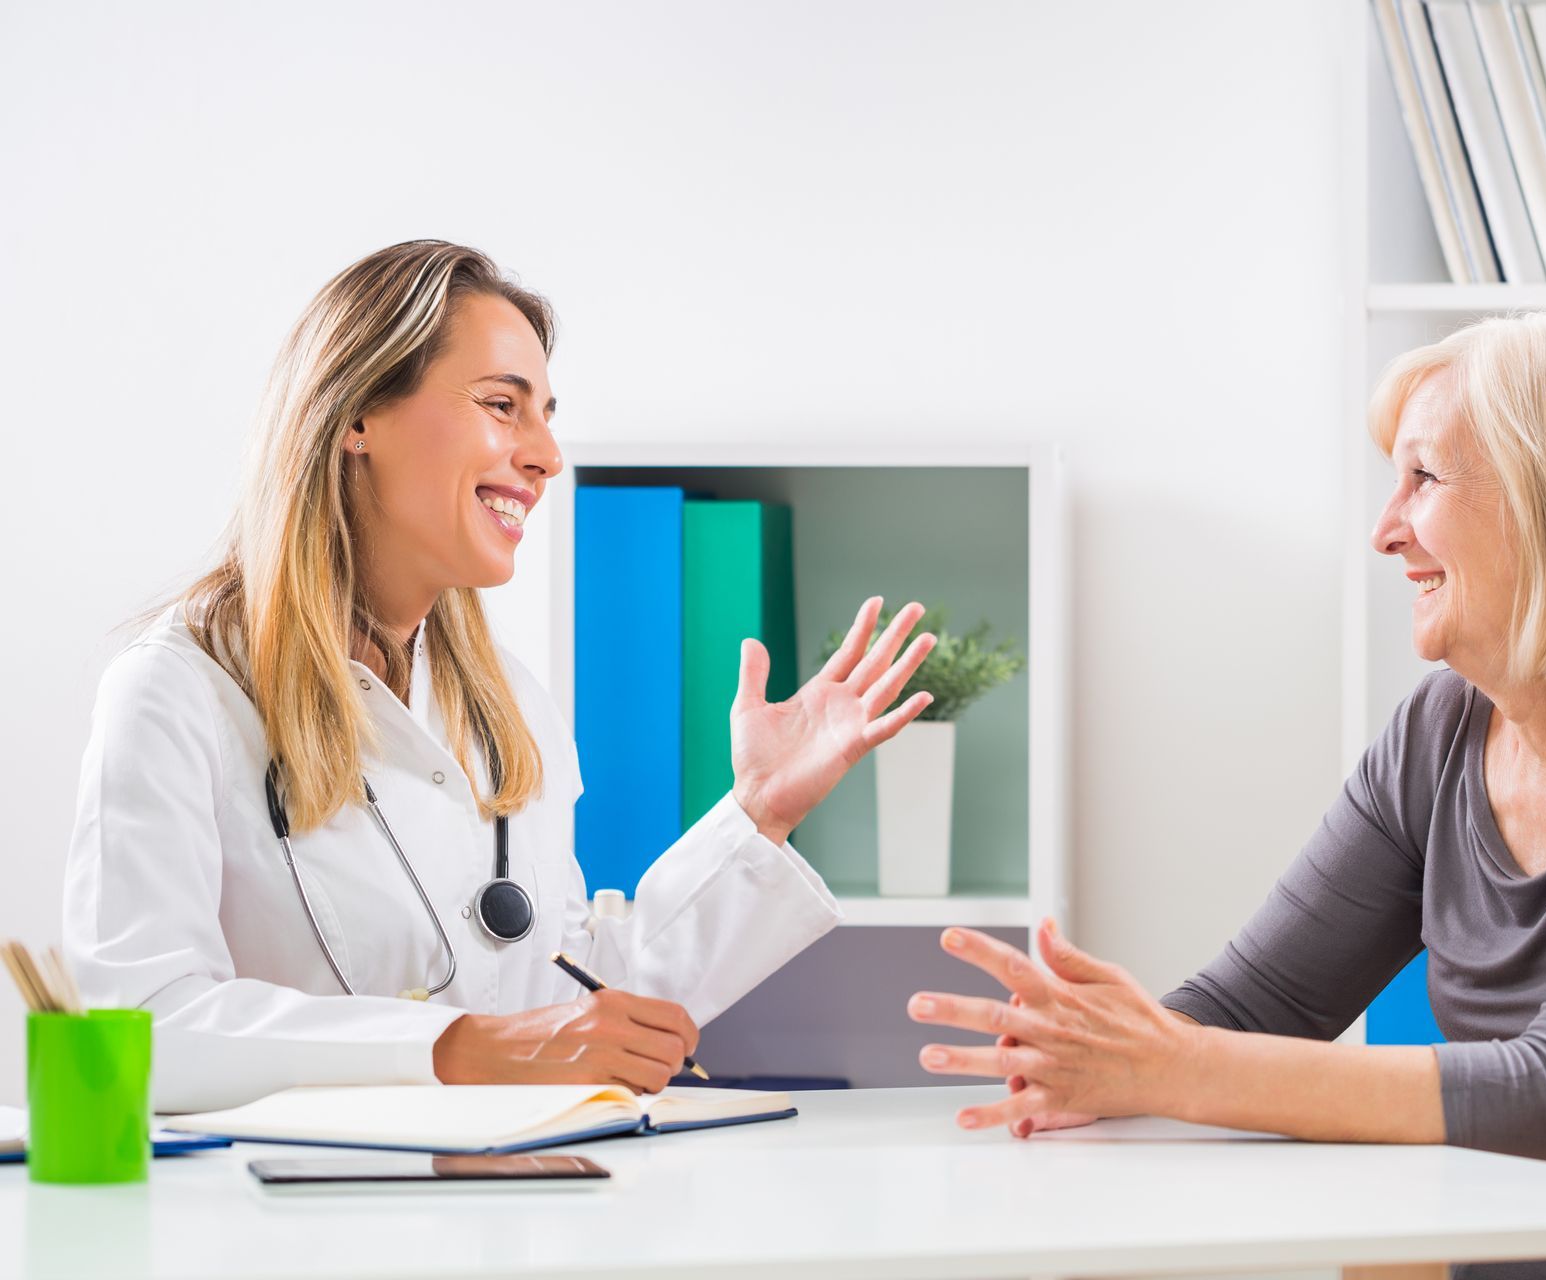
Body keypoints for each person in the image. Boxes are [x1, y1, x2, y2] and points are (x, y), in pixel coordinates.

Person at [910, 311, 1546, 1278]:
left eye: (1424, 478)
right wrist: (1096, 1055)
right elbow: (1259, 1005)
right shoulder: (1443, 730)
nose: (1384, 530)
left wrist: (1172, 1065)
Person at [64, 240, 936, 1114]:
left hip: (507, 1216)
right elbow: (136, 1026)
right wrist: (461, 1049)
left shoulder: (509, 704)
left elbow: (562, 1008)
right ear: (358, 413)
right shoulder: (179, 694)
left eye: (546, 415)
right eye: (500, 405)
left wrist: (759, 814)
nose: (547, 455)